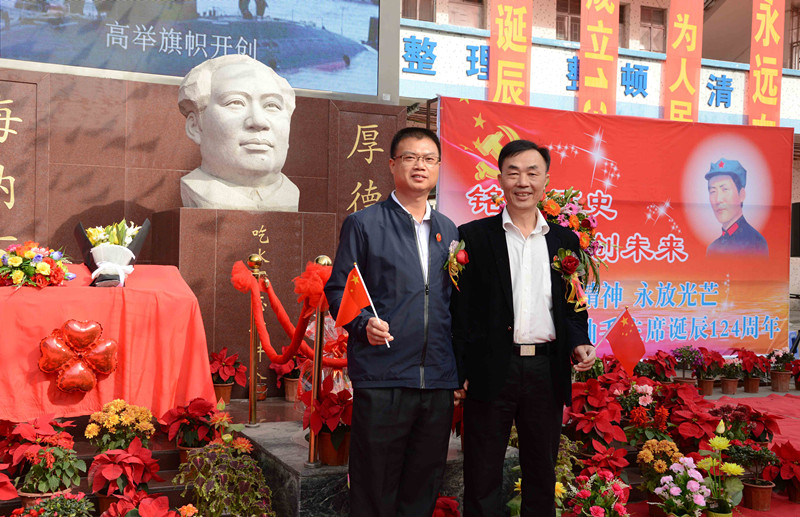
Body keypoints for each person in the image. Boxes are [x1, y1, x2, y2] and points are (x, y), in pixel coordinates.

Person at [451, 139, 596, 517]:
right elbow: (460, 311)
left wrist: (579, 342)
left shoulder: (564, 241)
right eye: (513, 172)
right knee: (481, 474)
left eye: (532, 173)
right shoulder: (474, 237)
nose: (523, 182)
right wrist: (458, 370)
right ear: (500, 179)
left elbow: (573, 307)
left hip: (545, 371)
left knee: (541, 475)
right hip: (490, 370)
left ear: (546, 180)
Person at [324, 127, 459, 517]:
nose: (420, 166)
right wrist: (362, 323)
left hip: (436, 379)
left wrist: (458, 371)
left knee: (423, 486)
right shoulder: (364, 224)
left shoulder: (449, 230)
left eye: (428, 159)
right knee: (375, 487)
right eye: (410, 157)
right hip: (384, 375)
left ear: (438, 167)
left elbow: (454, 301)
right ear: (392, 164)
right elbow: (338, 289)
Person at [177, 54, 299, 211]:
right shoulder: (198, 189)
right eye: (235, 102)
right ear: (194, 127)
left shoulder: (290, 195)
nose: (258, 122)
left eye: (271, 105)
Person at [705, 158, 768, 256]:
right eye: (713, 191)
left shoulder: (755, 243)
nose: (718, 200)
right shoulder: (712, 249)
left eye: (725, 189)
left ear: (741, 195)